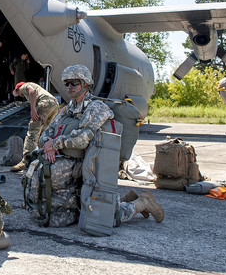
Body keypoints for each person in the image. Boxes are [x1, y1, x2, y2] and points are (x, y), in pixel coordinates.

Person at [37, 65, 164, 227]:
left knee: (104, 220)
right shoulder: (67, 109)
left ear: (85, 84)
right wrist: (48, 143)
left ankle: (141, 203)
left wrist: (55, 143)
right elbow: (46, 133)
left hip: (91, 166)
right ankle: (118, 202)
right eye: (66, 83)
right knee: (58, 215)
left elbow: (82, 139)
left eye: (74, 83)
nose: (69, 87)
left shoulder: (96, 108)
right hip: (72, 163)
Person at [9, 81, 59, 172]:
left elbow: (31, 91)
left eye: (18, 93)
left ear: (18, 89)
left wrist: (33, 109)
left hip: (45, 103)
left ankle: (26, 161)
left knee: (33, 131)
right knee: (44, 132)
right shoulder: (37, 87)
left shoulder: (24, 87)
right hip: (54, 104)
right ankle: (43, 157)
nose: (20, 95)